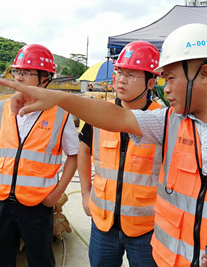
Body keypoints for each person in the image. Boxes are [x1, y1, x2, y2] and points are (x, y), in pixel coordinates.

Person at [0, 23, 207, 267]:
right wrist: (56, 98)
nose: (165, 87)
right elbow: (116, 117)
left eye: (170, 78)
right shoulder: (169, 121)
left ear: (202, 73)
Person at [0, 44, 79, 267]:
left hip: (37, 205)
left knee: (40, 259)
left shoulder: (61, 114)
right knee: (0, 258)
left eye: (26, 73)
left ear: (45, 78)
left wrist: (56, 194)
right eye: (17, 72)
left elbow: (74, 156)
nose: (19, 78)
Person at [78, 41, 162, 266]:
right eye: (119, 72)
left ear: (151, 82)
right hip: (103, 225)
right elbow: (83, 150)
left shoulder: (162, 120)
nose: (121, 79)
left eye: (131, 75)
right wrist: (85, 194)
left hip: (147, 229)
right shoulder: (100, 113)